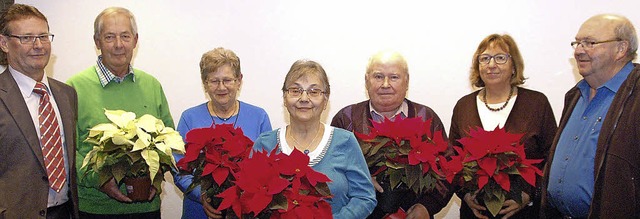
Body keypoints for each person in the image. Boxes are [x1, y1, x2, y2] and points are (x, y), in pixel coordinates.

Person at [66, 7, 173, 218]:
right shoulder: (74, 88)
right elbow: (68, 149)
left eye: (125, 36)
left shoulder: (152, 85)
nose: (118, 45)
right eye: (109, 37)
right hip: (95, 208)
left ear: (135, 40)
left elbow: (168, 139)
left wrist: (157, 174)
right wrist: (101, 180)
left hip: (145, 208)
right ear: (97, 42)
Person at [330, 51, 451, 219]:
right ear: (367, 81)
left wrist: (426, 206)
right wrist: (358, 183)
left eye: (394, 77)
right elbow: (333, 171)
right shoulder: (346, 118)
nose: (385, 84)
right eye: (378, 77)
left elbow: (447, 169)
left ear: (406, 81)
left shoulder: (426, 116)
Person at [541, 14, 640, 218]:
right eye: (577, 43)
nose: (578, 50)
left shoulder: (636, 97)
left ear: (621, 49)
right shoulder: (575, 96)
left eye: (590, 43)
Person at [249, 60, 376, 218]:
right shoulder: (265, 144)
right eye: (295, 90)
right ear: (284, 97)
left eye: (314, 91)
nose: (304, 98)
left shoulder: (345, 141)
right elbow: (248, 197)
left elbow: (365, 197)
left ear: (325, 100)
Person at [449, 34, 557, 219]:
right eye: (485, 58)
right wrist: (465, 195)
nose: (491, 65)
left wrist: (528, 195)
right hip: (476, 213)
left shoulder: (537, 103)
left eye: (500, 57)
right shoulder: (463, 106)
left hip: (525, 212)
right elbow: (452, 158)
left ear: (514, 66)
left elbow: (552, 157)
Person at [0, 4, 79, 219]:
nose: (38, 45)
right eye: (26, 38)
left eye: (43, 36)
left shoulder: (67, 94)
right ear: (4, 43)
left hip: (65, 212)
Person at [174, 47, 272, 219]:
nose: (221, 87)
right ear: (204, 82)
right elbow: (178, 169)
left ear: (239, 80)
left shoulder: (259, 117)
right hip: (199, 211)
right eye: (214, 81)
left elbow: (268, 168)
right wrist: (203, 195)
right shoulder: (189, 118)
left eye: (227, 80)